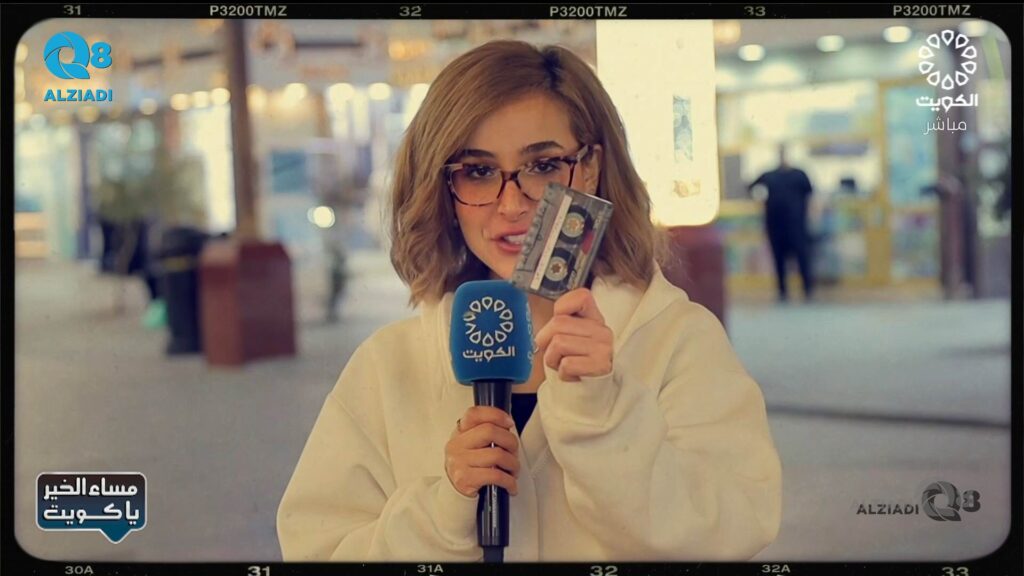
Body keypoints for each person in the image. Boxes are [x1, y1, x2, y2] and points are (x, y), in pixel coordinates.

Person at [277, 40, 782, 562]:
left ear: (589, 167)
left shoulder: (677, 339)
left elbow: (734, 527)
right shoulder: (388, 364)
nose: (512, 204)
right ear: (442, 187)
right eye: (477, 171)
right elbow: (319, 547)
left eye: (542, 165)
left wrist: (602, 417)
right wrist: (442, 510)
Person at [749, 146, 815, 302]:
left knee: (802, 257)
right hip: (776, 224)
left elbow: (811, 195)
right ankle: (782, 291)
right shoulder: (769, 175)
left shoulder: (799, 175)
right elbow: (751, 187)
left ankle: (807, 290)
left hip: (796, 224)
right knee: (779, 259)